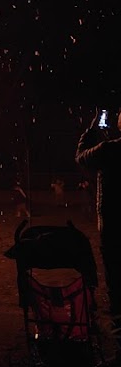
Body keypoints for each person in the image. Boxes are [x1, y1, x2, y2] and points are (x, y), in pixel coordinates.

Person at [75, 109, 121, 352]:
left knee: (116, 275)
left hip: (114, 225)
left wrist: (91, 131)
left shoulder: (109, 150)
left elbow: (81, 157)